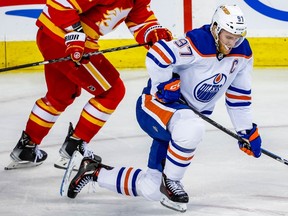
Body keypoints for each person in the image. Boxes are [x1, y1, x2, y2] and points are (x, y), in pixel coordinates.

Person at [63, 4, 262, 213]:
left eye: (236, 38)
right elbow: (158, 54)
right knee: (192, 128)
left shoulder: (243, 54)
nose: (232, 44)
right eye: (228, 37)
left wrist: (246, 131)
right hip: (155, 106)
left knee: (152, 189)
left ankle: (92, 171)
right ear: (215, 28)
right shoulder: (198, 43)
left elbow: (239, 96)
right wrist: (163, 86)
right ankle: (173, 181)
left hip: (180, 120)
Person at [6, 0, 173, 170]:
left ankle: (26, 148)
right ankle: (74, 149)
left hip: (53, 38)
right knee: (112, 92)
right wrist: (75, 36)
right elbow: (60, 4)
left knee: (60, 95)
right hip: (65, 41)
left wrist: (153, 32)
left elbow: (140, 17)